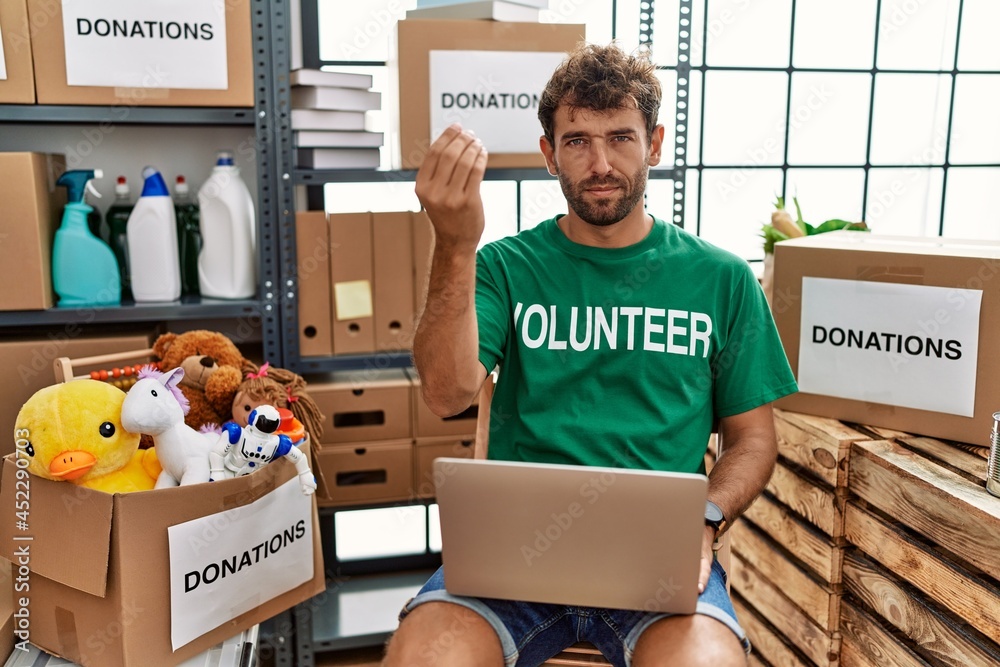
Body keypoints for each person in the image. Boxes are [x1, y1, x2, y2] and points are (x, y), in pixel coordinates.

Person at [383, 43, 798, 667]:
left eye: (621, 138)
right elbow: (446, 393)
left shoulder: (722, 278)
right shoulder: (502, 266)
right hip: (509, 566)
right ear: (550, 154)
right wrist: (456, 244)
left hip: (660, 568)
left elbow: (752, 441)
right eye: (577, 141)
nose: (601, 163)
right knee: (422, 657)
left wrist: (704, 518)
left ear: (654, 144)